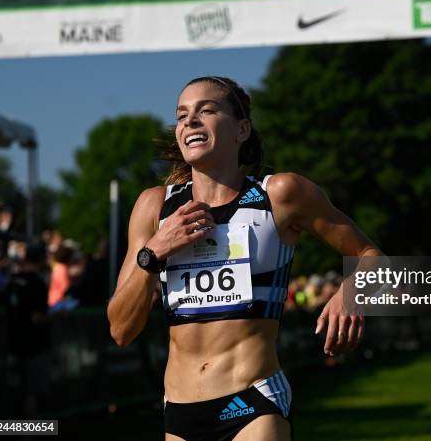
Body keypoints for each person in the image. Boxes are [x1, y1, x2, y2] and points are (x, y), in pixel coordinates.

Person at [107, 76, 382, 441]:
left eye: (206, 110)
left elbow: (372, 256)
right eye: (182, 115)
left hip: (255, 402)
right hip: (180, 413)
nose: (190, 121)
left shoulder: (280, 194)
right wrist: (154, 252)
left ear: (241, 129)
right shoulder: (154, 207)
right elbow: (120, 329)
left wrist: (349, 293)